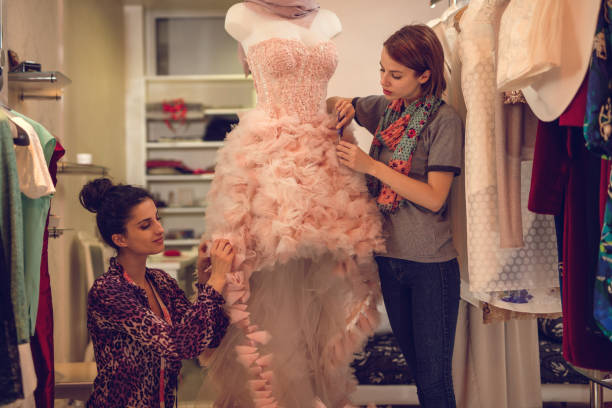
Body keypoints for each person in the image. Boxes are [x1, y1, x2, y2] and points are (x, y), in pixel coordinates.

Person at [200, 1, 385, 407]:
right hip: (268, 158)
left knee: (322, 286)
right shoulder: (242, 15)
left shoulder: (328, 19)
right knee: (265, 281)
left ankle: (311, 395)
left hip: (323, 157)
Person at [327, 24, 463, 408]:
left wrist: (371, 167)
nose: (384, 80)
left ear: (425, 75)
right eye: (381, 69)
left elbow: (435, 197)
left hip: (430, 267)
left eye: (396, 74)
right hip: (390, 260)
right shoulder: (387, 110)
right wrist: (343, 106)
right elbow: (340, 101)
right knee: (421, 377)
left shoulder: (444, 122)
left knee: (435, 382)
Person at [79, 178, 231, 408]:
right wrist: (217, 280)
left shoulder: (160, 281)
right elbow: (179, 346)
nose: (160, 229)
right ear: (120, 239)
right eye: (145, 225)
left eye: (157, 219)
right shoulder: (109, 292)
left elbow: (211, 336)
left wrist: (205, 280)